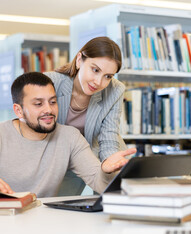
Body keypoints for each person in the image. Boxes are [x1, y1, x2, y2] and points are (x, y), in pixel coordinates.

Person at [0, 72, 136, 197]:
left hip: (44, 224)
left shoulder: (70, 137)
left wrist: (105, 170)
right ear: (19, 110)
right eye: (38, 104)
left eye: (53, 102)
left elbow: (99, 182)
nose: (49, 110)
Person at [44, 36, 128, 195]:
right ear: (79, 60)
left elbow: (109, 135)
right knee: (56, 204)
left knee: (110, 199)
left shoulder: (116, 90)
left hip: (97, 152)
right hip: (59, 156)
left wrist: (110, 166)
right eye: (95, 70)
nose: (98, 82)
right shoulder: (50, 83)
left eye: (108, 76)